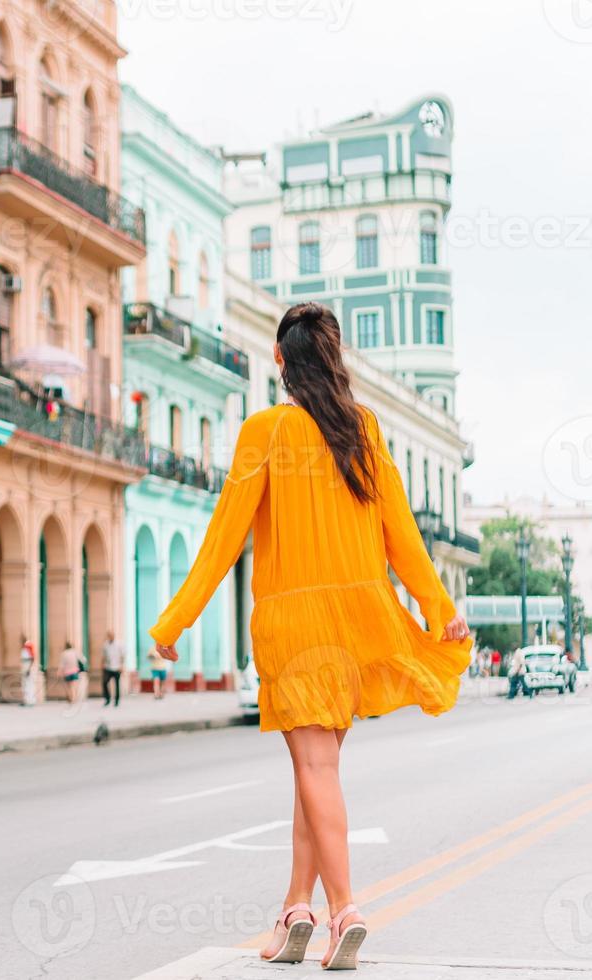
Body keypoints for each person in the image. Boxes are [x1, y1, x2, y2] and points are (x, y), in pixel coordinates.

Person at [148, 303, 471, 970]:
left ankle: (344, 908)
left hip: (294, 627)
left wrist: (173, 622)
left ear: (278, 362)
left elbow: (222, 540)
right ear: (334, 361)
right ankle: (296, 909)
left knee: (314, 768)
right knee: (314, 772)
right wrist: (439, 607)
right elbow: (404, 538)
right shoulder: (364, 430)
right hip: (359, 623)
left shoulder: (264, 431)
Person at [101, 631, 125, 707]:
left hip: (117, 667)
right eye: (109, 636)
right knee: (104, 682)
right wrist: (102, 664)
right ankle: (107, 698)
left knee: (117, 684)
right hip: (108, 667)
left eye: (111, 635)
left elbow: (123, 655)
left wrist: (121, 666)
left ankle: (116, 701)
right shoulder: (105, 644)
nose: (110, 637)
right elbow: (103, 656)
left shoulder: (119, 644)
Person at [60, 639, 85, 705]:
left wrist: (59, 672)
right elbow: (83, 660)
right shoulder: (75, 652)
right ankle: (73, 698)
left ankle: (70, 697)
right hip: (74, 671)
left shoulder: (64, 653)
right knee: (73, 685)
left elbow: (62, 664)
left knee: (68, 686)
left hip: (67, 672)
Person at [18, 635, 38, 707]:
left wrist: (29, 669)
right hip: (25, 667)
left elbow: (32, 658)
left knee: (29, 685)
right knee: (25, 684)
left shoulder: (28, 647)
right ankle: (26, 700)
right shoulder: (25, 648)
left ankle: (30, 700)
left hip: (27, 667)